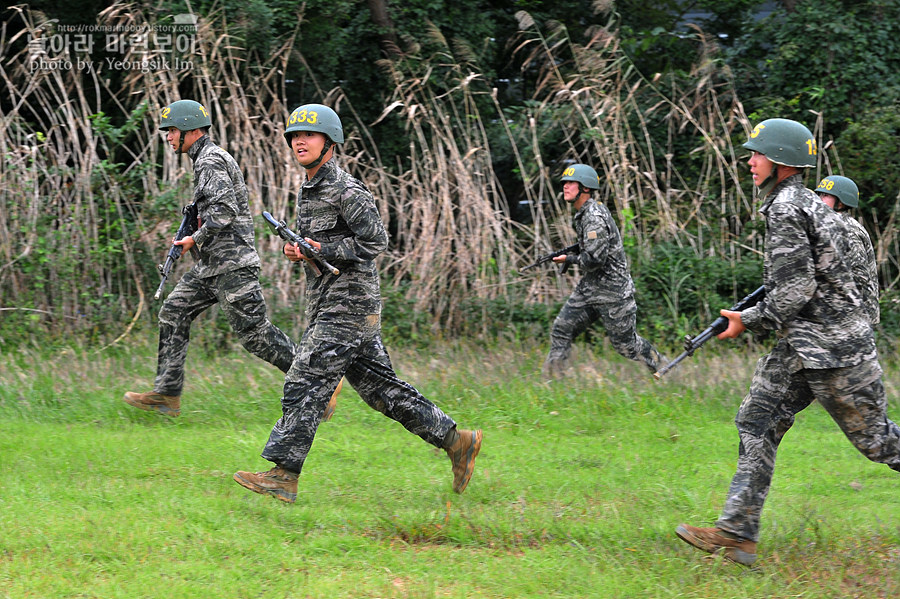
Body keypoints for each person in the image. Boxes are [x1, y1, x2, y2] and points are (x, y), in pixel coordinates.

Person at [675, 118, 900, 566]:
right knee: (755, 420)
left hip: (834, 351)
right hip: (802, 346)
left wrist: (746, 321)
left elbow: (795, 291)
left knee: (880, 444)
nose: (750, 162)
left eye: (756, 155)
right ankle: (737, 533)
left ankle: (737, 532)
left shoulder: (787, 209)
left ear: (780, 162)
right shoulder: (803, 205)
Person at [233, 104, 482, 503]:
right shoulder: (310, 186)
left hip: (348, 303)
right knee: (381, 391)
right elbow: (324, 247)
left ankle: (283, 473)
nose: (300, 141)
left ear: (329, 142)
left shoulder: (345, 188)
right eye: (294, 135)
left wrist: (323, 247)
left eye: (309, 135)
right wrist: (302, 251)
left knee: (304, 376)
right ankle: (457, 441)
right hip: (332, 300)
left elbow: (375, 241)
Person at [123, 99, 338, 418]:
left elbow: (223, 213)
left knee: (256, 334)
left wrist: (191, 240)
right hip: (211, 265)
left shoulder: (210, 160)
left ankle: (320, 382)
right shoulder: (203, 160)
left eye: (171, 130)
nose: (167, 137)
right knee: (173, 311)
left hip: (232, 265)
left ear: (190, 130)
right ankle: (168, 393)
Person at [542, 164, 664, 378]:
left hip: (613, 292)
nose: (565, 187)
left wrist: (567, 259)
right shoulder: (584, 214)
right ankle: (551, 383)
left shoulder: (594, 217)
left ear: (585, 188)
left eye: (571, 183)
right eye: (564, 183)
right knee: (562, 329)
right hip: (590, 289)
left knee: (626, 345)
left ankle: (665, 368)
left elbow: (594, 259)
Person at [814, 175, 880, 326]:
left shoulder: (848, 230)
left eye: (825, 195)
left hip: (854, 319)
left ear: (841, 202)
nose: (819, 199)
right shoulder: (831, 225)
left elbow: (860, 278)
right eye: (819, 194)